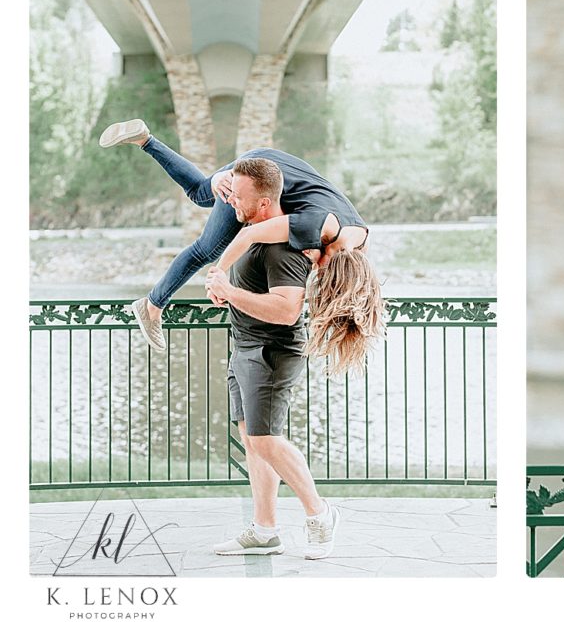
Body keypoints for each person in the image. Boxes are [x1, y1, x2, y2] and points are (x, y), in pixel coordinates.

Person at [99, 118, 385, 373]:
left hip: (271, 164)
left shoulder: (359, 241)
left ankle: (145, 139)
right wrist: (218, 276)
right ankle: (151, 306)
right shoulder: (314, 225)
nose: (316, 270)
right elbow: (249, 235)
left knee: (202, 192)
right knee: (207, 250)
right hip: (261, 178)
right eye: (321, 272)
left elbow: (347, 279)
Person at [201, 156, 340, 558]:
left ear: (264, 204)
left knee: (265, 438)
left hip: (272, 352)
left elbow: (287, 310)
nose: (230, 201)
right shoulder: (254, 232)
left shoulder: (281, 245)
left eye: (238, 195)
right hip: (245, 347)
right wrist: (225, 285)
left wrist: (229, 293)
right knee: (253, 440)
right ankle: (265, 530)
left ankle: (320, 514)